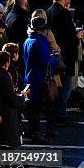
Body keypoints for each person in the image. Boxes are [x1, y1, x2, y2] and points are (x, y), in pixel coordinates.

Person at [46, 0, 82, 124]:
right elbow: (69, 35)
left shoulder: (49, 11)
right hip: (66, 54)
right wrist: (77, 35)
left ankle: (55, 112)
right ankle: (60, 113)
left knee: (56, 85)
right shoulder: (64, 13)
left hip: (54, 54)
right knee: (66, 85)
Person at [23, 13, 57, 144]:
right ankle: (38, 134)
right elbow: (45, 61)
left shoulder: (28, 40)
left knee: (33, 108)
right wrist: (54, 59)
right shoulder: (40, 41)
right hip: (40, 78)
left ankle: (34, 132)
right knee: (41, 106)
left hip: (30, 77)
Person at [0, 50, 22, 147]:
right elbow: (11, 99)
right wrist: (22, 98)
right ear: (7, 63)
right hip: (5, 114)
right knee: (6, 145)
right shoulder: (4, 77)